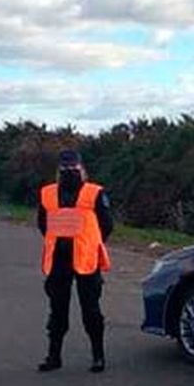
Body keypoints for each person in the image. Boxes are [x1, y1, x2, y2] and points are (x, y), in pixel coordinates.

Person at [36, 149, 113, 374]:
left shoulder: (95, 193)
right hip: (59, 261)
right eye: (65, 169)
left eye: (73, 168)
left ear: (81, 168)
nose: (69, 172)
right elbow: (42, 223)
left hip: (86, 261)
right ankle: (54, 356)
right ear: (59, 170)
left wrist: (90, 242)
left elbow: (107, 224)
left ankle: (98, 356)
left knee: (91, 311)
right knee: (57, 311)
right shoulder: (48, 193)